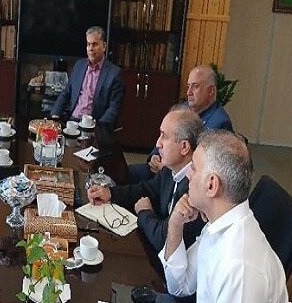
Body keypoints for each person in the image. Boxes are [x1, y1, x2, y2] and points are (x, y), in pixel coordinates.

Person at [160, 130, 288, 303]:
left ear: (211, 185)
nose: (188, 174)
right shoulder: (218, 225)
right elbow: (179, 286)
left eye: (193, 167)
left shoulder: (239, 267)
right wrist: (175, 225)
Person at [87, 106, 205, 252]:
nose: (158, 144)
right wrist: (110, 193)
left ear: (184, 147)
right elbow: (146, 189)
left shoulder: (195, 189)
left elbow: (165, 241)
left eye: (164, 136)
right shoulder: (170, 169)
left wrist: (144, 212)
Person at [129, 65, 233, 183]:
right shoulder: (183, 108)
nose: (188, 92)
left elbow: (204, 165)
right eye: (188, 86)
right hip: (161, 168)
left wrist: (167, 168)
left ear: (211, 91)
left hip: (184, 180)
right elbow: (166, 134)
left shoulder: (220, 122)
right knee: (125, 173)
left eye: (195, 86)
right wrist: (154, 156)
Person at [50, 26, 124, 129]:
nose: (91, 48)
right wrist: (55, 113)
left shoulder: (114, 73)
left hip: (94, 126)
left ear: (104, 46)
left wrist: (99, 128)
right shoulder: (79, 66)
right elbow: (66, 92)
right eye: (88, 44)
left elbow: (113, 108)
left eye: (95, 44)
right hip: (72, 121)